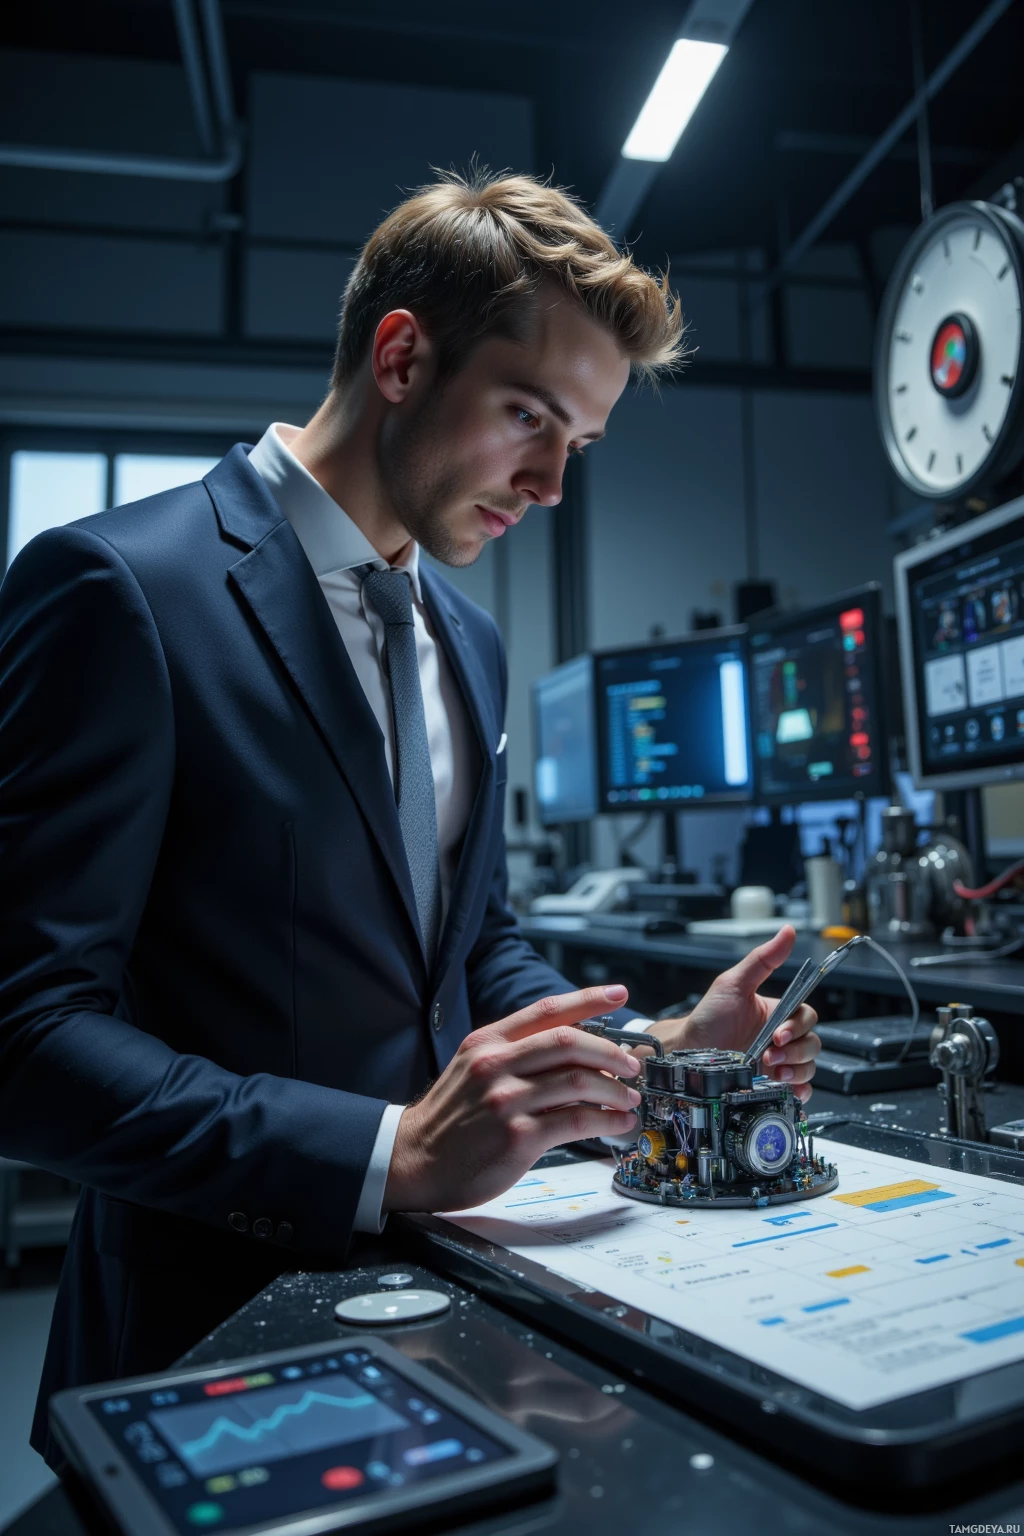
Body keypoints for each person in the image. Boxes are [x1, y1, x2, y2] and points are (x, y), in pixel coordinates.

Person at [0, 168, 819, 1468]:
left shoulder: (470, 639)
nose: (552, 483)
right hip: (203, 1332)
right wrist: (387, 1152)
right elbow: (26, 1041)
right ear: (400, 356)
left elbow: (470, 946)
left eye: (582, 444)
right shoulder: (119, 591)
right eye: (529, 418)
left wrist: (647, 1049)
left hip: (452, 1312)